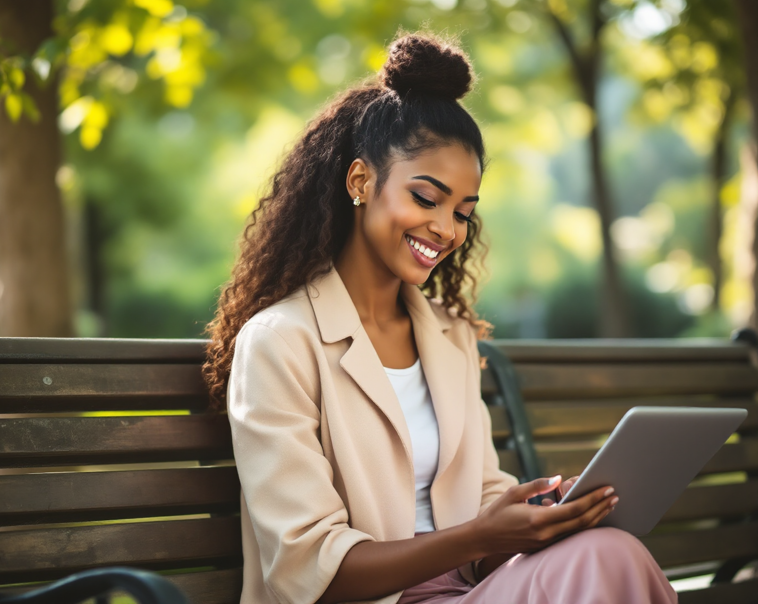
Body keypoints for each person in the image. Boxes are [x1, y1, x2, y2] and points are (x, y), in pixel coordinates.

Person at [203, 32, 678, 604]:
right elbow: (308, 570)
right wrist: (476, 535)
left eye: (462, 212)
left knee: (609, 551)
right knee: (609, 564)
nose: (447, 229)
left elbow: (481, 513)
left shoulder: (448, 335)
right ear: (360, 182)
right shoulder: (279, 342)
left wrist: (542, 518)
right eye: (427, 199)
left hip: (469, 591)